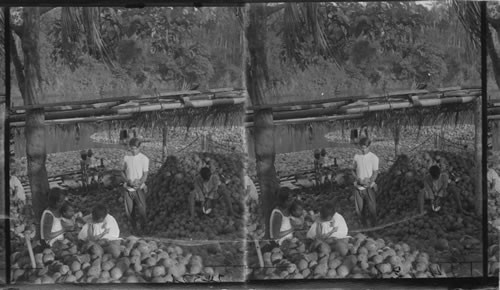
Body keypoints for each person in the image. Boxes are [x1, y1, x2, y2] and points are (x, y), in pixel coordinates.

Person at [121, 138, 149, 234]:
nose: (133, 150)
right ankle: (134, 230)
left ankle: (144, 229)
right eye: (131, 148)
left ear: (139, 147)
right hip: (128, 189)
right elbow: (122, 172)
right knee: (130, 212)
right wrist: (127, 180)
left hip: (139, 189)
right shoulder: (126, 158)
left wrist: (140, 182)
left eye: (135, 148)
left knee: (142, 210)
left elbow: (145, 174)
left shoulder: (144, 159)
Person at [352, 137, 379, 227]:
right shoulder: (356, 157)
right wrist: (357, 179)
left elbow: (375, 173)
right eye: (361, 148)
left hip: (368, 188)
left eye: (364, 148)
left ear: (369, 146)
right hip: (358, 188)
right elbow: (352, 170)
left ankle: (374, 228)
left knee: (372, 210)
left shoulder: (374, 158)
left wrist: (370, 181)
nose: (363, 150)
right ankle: (364, 228)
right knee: (360, 211)